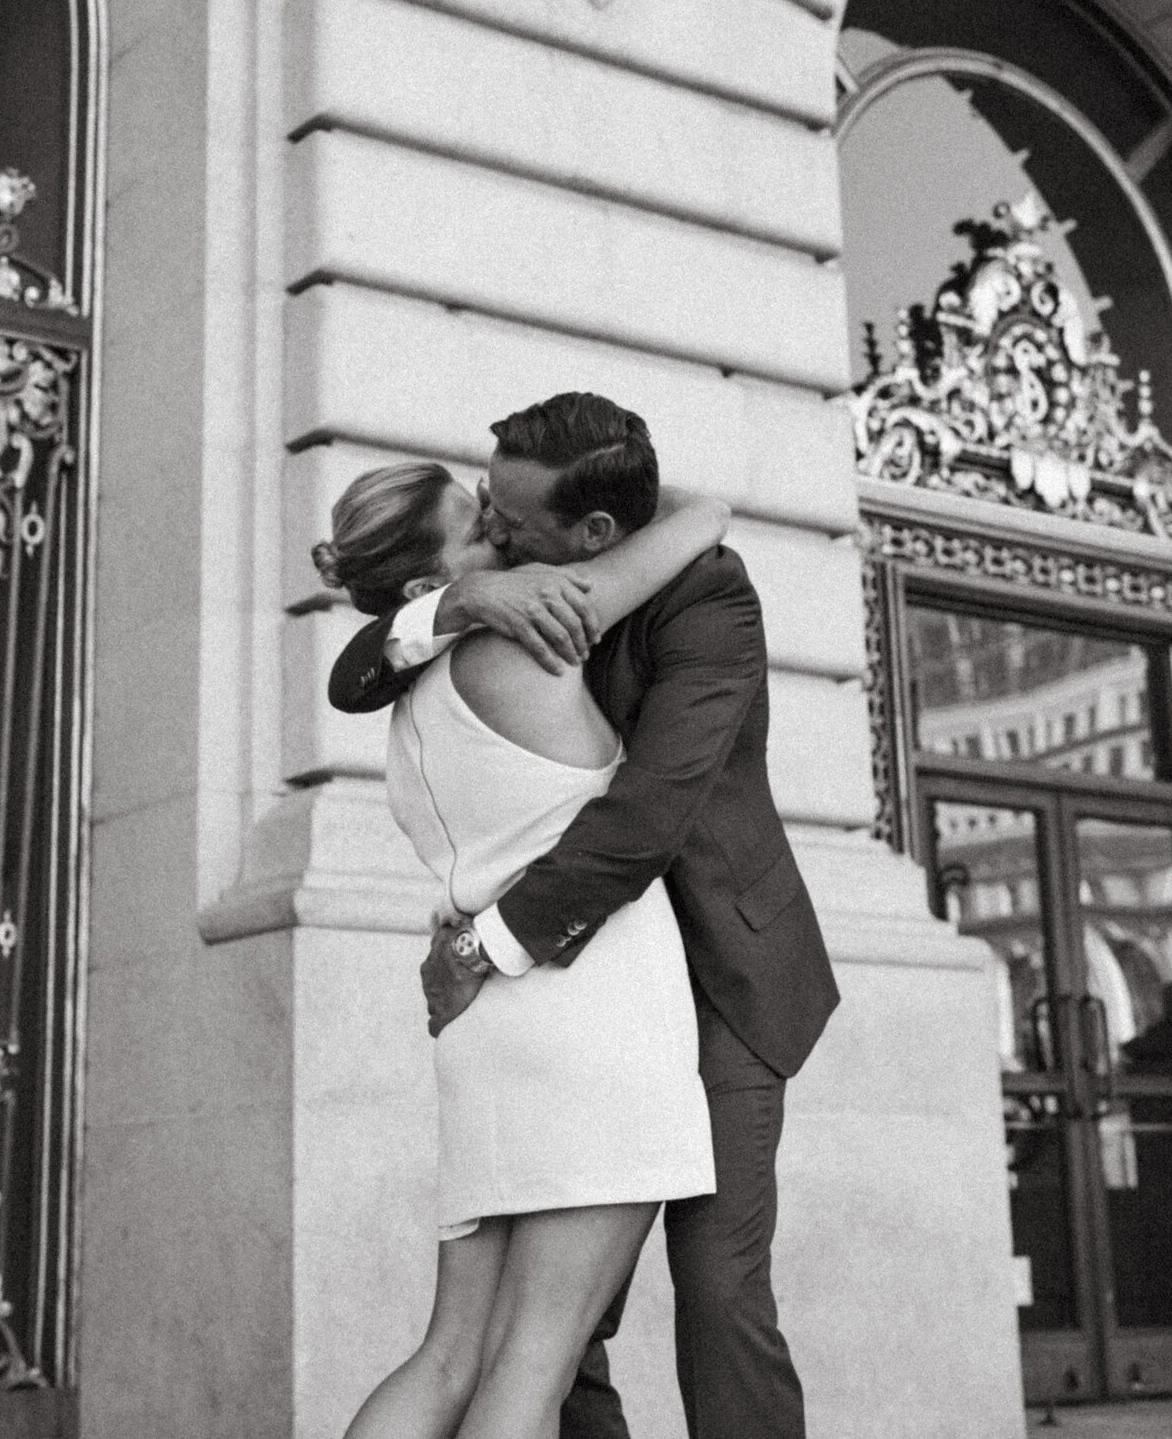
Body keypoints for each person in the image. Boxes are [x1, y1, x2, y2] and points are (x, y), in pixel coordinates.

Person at [329, 393, 841, 1439]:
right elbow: (353, 668)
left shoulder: (704, 599)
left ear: (597, 534)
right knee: (555, 1342)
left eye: (510, 516)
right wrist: (463, 601)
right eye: (483, 511)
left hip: (719, 979)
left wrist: (486, 942)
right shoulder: (486, 611)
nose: (500, 530)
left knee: (715, 1295)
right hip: (596, 995)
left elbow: (647, 813)